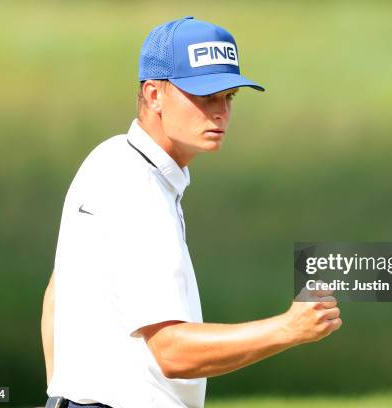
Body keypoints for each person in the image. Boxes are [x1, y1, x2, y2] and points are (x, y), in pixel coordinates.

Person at [41, 16, 342, 408]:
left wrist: (61, 393)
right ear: (153, 95)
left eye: (229, 95)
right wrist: (289, 328)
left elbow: (57, 293)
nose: (220, 112)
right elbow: (172, 352)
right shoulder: (141, 190)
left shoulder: (108, 159)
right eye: (204, 96)